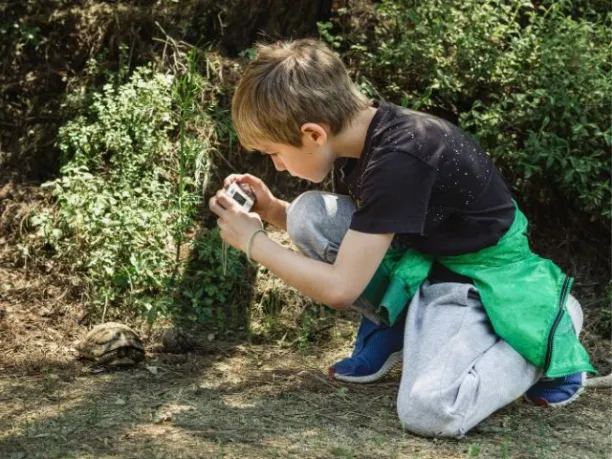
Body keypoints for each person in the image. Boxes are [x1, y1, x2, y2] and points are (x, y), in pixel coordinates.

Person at [208, 39, 594, 437]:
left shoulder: (400, 158)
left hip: (478, 280)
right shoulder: (354, 137)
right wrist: (271, 211)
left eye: (274, 152)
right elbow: (366, 236)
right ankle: (399, 324)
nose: (277, 165)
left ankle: (550, 324)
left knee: (429, 410)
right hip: (426, 261)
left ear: (313, 134)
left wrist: (255, 242)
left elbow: (342, 287)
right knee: (306, 214)